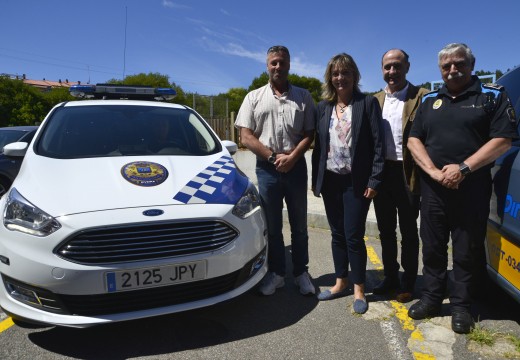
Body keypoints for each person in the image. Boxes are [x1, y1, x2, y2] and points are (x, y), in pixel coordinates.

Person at [407, 43, 517, 333]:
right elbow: (414, 140)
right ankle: (431, 299)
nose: (453, 69)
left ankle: (461, 307)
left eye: (459, 63)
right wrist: (432, 171)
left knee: (467, 251)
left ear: (472, 64)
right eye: (446, 66)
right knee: (432, 247)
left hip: (472, 189)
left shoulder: (492, 96)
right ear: (440, 69)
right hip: (434, 190)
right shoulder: (430, 100)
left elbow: (503, 140)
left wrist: (463, 168)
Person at [235, 45, 316, 296]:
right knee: (272, 226)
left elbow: (310, 133)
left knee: (299, 226)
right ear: (267, 65)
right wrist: (271, 157)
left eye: (282, 62)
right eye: (273, 63)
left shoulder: (304, 97)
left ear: (289, 64)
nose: (278, 67)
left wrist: (292, 157)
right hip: (267, 170)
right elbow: (245, 136)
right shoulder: (254, 97)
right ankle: (277, 273)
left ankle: (301, 273)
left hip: (295, 167)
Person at [311, 53, 385, 314]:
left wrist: (375, 179)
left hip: (357, 183)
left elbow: (379, 144)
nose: (340, 78)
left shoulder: (367, 103)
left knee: (353, 235)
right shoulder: (323, 107)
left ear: (355, 76)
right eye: (335, 73)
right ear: (330, 78)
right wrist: (316, 181)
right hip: (331, 181)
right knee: (337, 234)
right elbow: (319, 147)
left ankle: (359, 288)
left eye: (345, 73)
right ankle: (340, 282)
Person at [372, 49, 429, 303]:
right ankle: (391, 277)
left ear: (407, 67)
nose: (391, 72)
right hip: (382, 173)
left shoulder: (423, 97)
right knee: (385, 230)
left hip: (409, 173)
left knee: (408, 230)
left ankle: (408, 282)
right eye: (387, 67)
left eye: (397, 66)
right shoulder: (373, 100)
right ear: (382, 69)